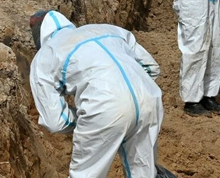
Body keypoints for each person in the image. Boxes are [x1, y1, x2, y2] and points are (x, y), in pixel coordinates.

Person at [28, 10, 164, 178]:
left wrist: (84, 119)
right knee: (143, 172)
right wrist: (135, 92)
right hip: (149, 98)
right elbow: (151, 68)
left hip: (103, 108)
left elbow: (55, 122)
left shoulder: (44, 56)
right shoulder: (108, 30)